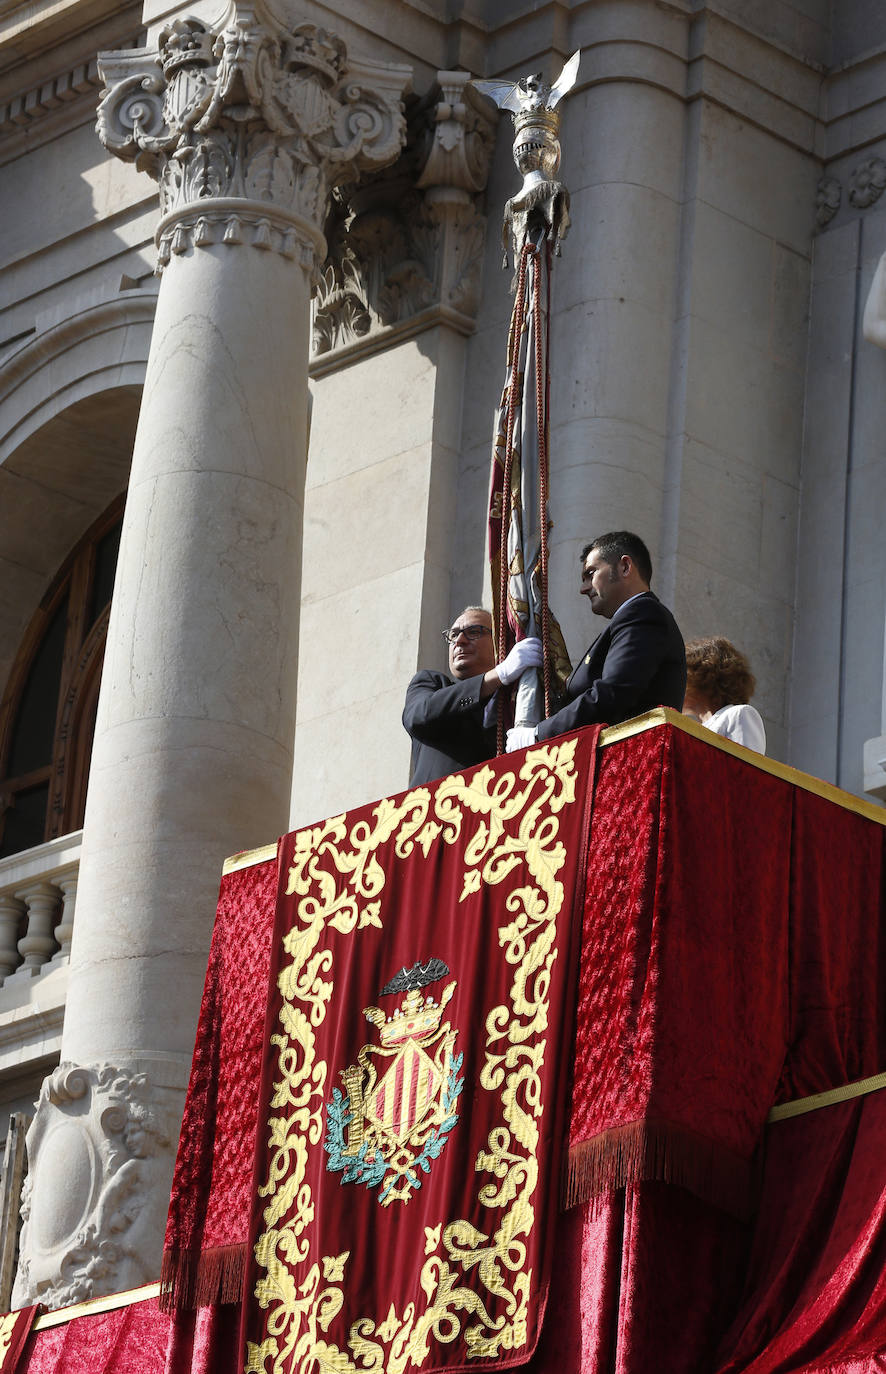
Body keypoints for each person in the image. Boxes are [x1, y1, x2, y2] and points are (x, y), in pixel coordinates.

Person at [506, 531, 685, 751]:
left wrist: (538, 734)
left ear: (625, 567)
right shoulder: (632, 618)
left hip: (629, 766)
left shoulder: (643, 613)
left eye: (591, 574)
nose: (583, 589)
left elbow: (612, 693)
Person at [403, 607, 543, 785]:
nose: (459, 641)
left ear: (499, 641)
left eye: (474, 632)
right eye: (453, 635)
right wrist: (499, 674)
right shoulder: (431, 682)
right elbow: (419, 715)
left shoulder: (515, 701)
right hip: (435, 806)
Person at [682, 636, 766, 753]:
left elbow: (747, 769)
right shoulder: (694, 731)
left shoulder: (738, 715)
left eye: (681, 677)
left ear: (702, 677)